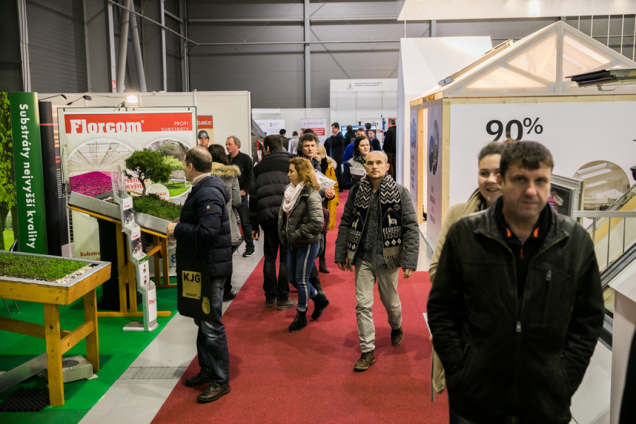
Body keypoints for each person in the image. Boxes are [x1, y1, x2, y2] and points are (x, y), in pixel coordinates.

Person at [427, 141, 604, 424]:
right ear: (503, 180)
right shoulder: (466, 235)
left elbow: (588, 319)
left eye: (541, 180)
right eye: (521, 179)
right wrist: (460, 374)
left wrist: (563, 380)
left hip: (544, 403)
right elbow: (442, 310)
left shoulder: (574, 241)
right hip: (476, 400)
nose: (531, 190)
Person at [427, 141, 507, 418]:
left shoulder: (534, 222)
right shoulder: (459, 214)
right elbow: (436, 270)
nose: (491, 180)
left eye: (499, 173)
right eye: (484, 173)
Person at [335, 151, 420, 371]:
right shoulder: (357, 191)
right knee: (363, 304)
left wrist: (410, 260)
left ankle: (396, 326)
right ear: (365, 166)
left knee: (390, 302)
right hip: (362, 257)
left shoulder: (400, 192)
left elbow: (411, 227)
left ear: (387, 166)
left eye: (379, 163)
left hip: (388, 258)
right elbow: (346, 221)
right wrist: (341, 252)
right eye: (370, 163)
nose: (374, 166)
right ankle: (367, 351)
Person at [166, 147, 232, 403]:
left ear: (191, 166)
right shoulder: (205, 188)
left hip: (209, 267)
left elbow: (208, 233)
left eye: (184, 164)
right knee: (203, 320)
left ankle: (220, 381)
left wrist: (177, 229)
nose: (183, 168)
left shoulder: (207, 191)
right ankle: (207, 370)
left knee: (211, 325)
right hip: (203, 265)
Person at [278, 157, 330, 332]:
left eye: (291, 171)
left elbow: (317, 223)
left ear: (301, 173)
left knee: (301, 280)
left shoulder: (311, 193)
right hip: (293, 241)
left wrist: (294, 234)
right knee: (293, 279)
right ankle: (319, 299)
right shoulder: (289, 191)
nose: (288, 174)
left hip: (306, 242)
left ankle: (301, 315)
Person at [249, 135, 297, 310]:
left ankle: (270, 298)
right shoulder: (292, 163)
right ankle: (283, 298)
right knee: (285, 259)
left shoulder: (258, 168)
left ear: (267, 148)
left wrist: (254, 225)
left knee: (269, 258)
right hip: (287, 216)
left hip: (267, 218)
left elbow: (253, 198)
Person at [296, 134, 335, 294]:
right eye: (307, 146)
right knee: (310, 247)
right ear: (301, 148)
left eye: (312, 145)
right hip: (303, 212)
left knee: (318, 247)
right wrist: (322, 193)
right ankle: (313, 284)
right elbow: (301, 191)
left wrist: (328, 193)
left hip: (318, 209)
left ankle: (306, 281)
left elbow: (319, 187)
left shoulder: (316, 164)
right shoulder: (298, 165)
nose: (310, 148)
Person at [208, 144, 242, 302]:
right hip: (227, 224)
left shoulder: (204, 174)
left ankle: (210, 290)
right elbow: (237, 201)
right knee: (226, 258)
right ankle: (226, 291)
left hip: (208, 223)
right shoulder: (231, 174)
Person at [226, 136, 256, 257]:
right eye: (226, 144)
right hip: (228, 197)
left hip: (241, 196)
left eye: (229, 144)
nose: (227, 146)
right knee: (229, 222)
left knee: (245, 222)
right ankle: (231, 246)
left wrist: (245, 190)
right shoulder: (226, 159)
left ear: (237, 145)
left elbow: (251, 176)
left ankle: (250, 247)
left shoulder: (245, 159)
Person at [315, 144, 340, 273]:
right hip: (312, 202)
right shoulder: (308, 167)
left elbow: (335, 187)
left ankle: (322, 261)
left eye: (318, 153)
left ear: (323, 155)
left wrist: (332, 196)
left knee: (323, 233)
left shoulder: (329, 169)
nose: (316, 156)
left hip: (325, 203)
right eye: (315, 153)